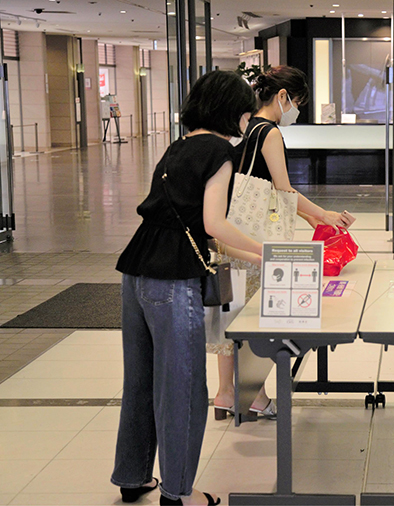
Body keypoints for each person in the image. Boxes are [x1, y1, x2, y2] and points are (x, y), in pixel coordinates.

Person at [111, 70, 263, 506]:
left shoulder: (177, 147)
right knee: (182, 386)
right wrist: (267, 249)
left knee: (141, 380)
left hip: (135, 271)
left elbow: (193, 225)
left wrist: (256, 258)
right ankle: (179, 492)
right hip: (172, 282)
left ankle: (132, 476)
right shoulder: (219, 150)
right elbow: (215, 223)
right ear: (233, 111)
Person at [209, 65, 353, 421]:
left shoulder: (245, 128)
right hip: (254, 240)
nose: (297, 110)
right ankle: (255, 396)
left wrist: (309, 217)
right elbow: (283, 188)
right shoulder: (270, 133)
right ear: (283, 97)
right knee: (254, 318)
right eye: (298, 102)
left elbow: (263, 187)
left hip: (229, 232)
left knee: (231, 312)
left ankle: (225, 393)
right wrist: (325, 214)